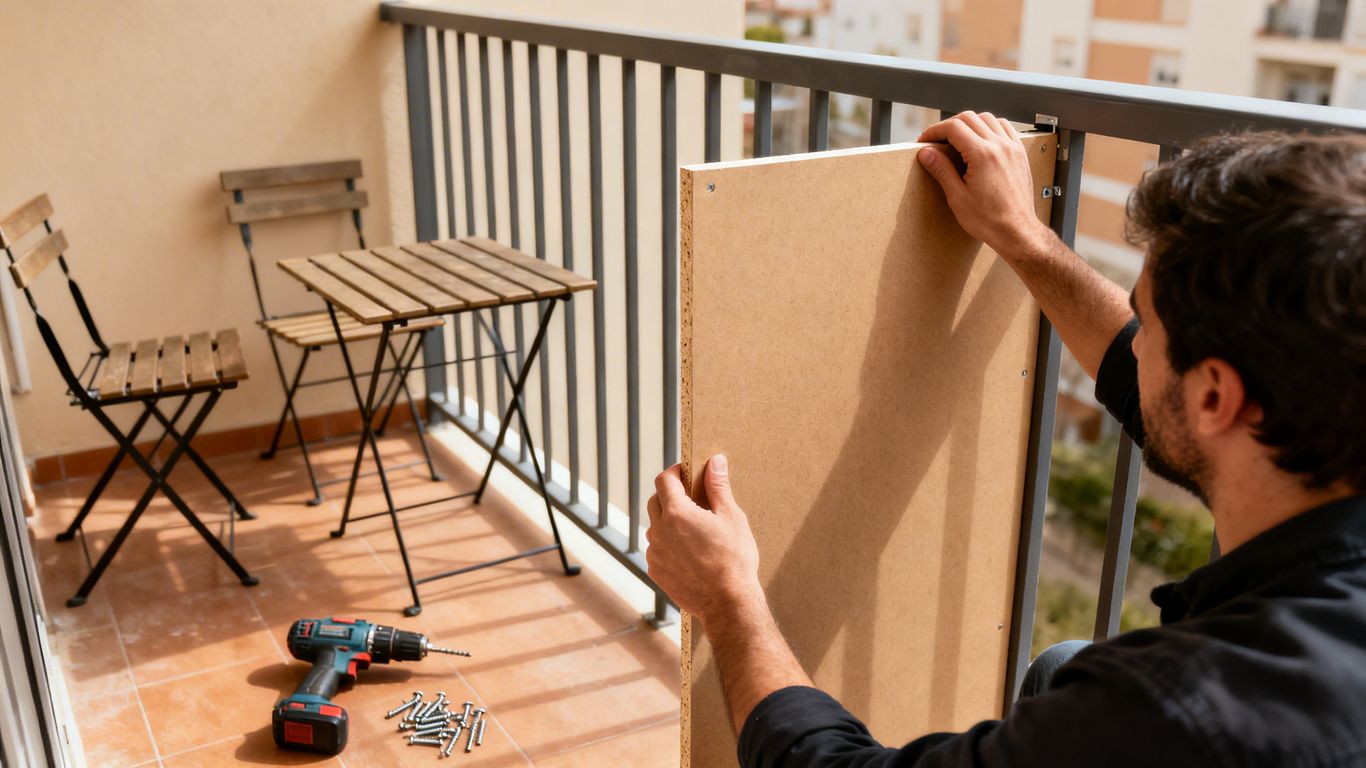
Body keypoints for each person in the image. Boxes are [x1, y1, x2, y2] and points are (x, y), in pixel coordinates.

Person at [645, 113, 1366, 766]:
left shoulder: (1175, 711)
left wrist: (729, 600)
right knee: (1061, 665)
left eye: (1146, 322)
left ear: (1214, 396)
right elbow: (1139, 375)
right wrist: (1022, 236)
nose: (1133, 340)